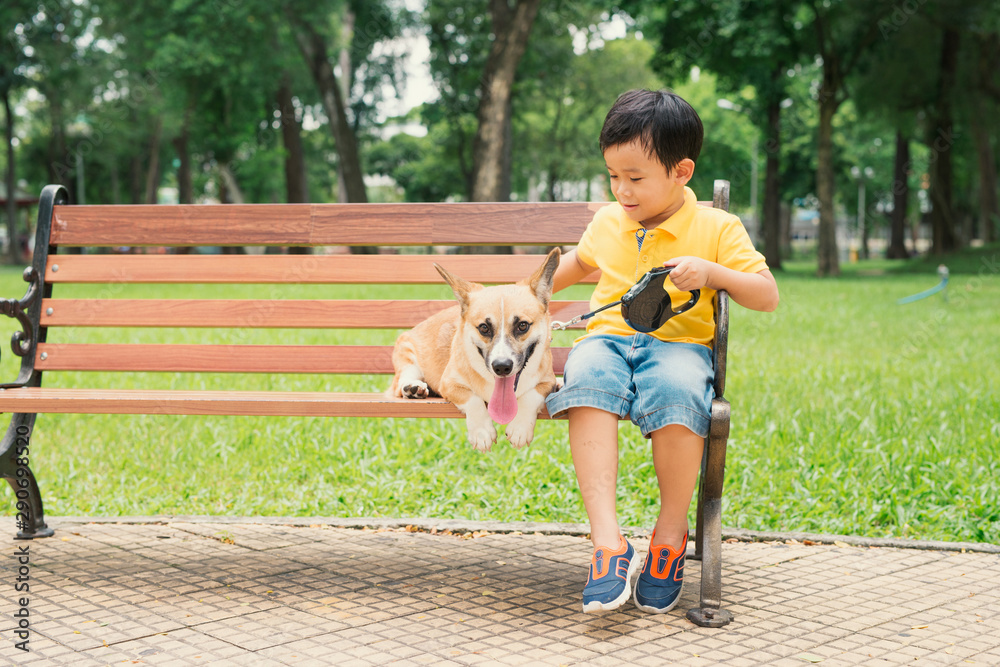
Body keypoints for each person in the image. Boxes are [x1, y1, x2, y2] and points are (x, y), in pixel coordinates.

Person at [546, 89, 779, 614]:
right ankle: (607, 544)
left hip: (677, 347)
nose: (622, 191)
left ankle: (669, 536)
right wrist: (519, 296)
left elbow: (767, 295)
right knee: (584, 381)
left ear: (681, 171)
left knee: (679, 394)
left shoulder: (717, 227)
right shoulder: (609, 222)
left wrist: (714, 273)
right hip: (605, 339)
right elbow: (567, 271)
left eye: (635, 178)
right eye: (612, 177)